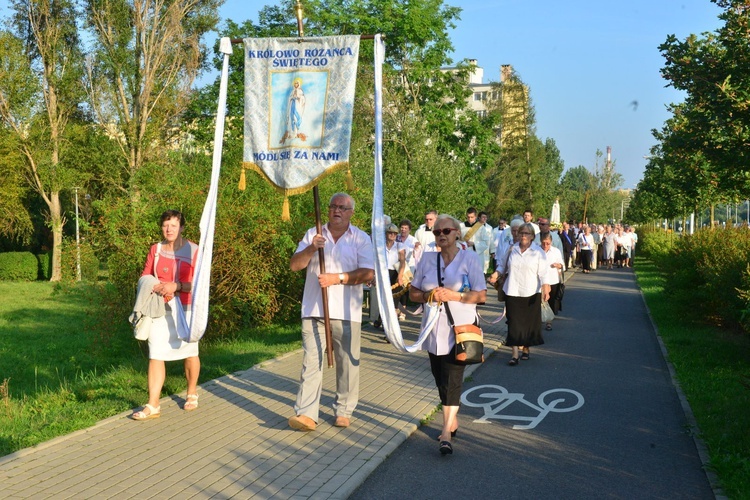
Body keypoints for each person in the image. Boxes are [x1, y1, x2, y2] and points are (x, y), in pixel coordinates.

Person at [288, 193, 375, 431]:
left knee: (346, 363)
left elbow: (368, 273)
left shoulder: (360, 238)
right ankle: (306, 413)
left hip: (347, 311)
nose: (337, 210)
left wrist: (338, 278)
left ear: (351, 213)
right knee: (311, 362)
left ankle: (344, 409)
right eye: (333, 206)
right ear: (327, 210)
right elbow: (294, 265)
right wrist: (311, 249)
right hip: (314, 308)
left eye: (342, 207)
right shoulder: (313, 234)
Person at [409, 215, 487, 455]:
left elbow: (481, 296)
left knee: (453, 377)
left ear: (456, 233)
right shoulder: (427, 259)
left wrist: (455, 296)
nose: (441, 235)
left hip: (460, 329)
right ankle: (452, 416)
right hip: (433, 328)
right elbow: (413, 292)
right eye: (436, 232)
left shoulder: (470, 258)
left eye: (446, 231)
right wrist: (428, 296)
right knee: (440, 377)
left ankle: (445, 433)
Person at [131, 210, 200, 420]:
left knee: (189, 351)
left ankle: (191, 392)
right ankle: (153, 405)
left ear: (182, 227)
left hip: (185, 309)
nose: (169, 229)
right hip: (158, 308)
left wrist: (176, 286)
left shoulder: (194, 250)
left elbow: (199, 284)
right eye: (165, 225)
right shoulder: (156, 249)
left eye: (173, 225)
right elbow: (145, 275)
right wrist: (157, 285)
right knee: (156, 353)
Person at [493, 223, 551, 365]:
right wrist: (496, 274)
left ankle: (526, 348)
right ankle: (514, 355)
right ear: (517, 235)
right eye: (521, 233)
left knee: (528, 323)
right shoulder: (511, 249)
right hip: (512, 290)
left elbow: (543, 272)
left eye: (526, 233)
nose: (523, 236)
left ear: (532, 236)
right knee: (513, 322)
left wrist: (546, 287)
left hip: (531, 292)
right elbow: (502, 265)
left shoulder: (538, 252)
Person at [373, 224, 406, 330]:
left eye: (395, 233)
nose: (392, 235)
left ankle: (391, 328)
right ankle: (381, 319)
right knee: (384, 299)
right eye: (390, 233)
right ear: (386, 234)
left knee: (394, 302)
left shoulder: (399, 246)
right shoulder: (380, 246)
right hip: (383, 273)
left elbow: (402, 262)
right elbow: (375, 261)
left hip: (395, 274)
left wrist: (400, 276)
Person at [540, 233, 564, 331]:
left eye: (548, 244)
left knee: (551, 301)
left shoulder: (556, 251)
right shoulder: (536, 251)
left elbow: (562, 265)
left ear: (551, 242)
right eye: (543, 243)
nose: (545, 246)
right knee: (540, 301)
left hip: (553, 280)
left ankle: (549, 321)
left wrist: (558, 265)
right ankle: (539, 318)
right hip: (540, 281)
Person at [280, 77, 306, 144]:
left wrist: (299, 97)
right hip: (292, 106)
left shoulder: (300, 91)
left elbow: (303, 99)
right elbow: (289, 98)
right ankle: (291, 134)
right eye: (295, 83)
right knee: (292, 119)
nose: (296, 84)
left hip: (297, 106)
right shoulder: (292, 91)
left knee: (296, 118)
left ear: (299, 84)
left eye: (297, 83)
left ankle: (295, 133)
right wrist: (292, 97)